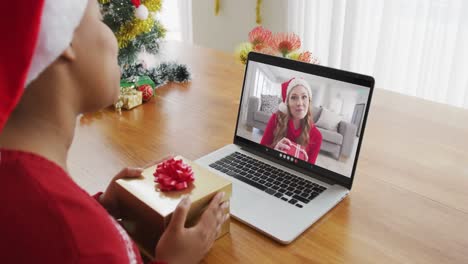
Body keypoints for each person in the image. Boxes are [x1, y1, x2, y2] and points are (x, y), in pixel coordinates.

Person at [0, 1, 228, 263]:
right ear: (64, 41)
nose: (115, 37)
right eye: (99, 19)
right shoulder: (91, 244)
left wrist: (99, 208)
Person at [260, 78, 323, 164]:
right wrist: (274, 152)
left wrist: (305, 165)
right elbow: (260, 155)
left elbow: (308, 172)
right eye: (294, 97)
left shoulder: (317, 136)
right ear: (287, 103)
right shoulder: (276, 119)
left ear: (309, 100)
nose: (300, 103)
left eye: (304, 97)